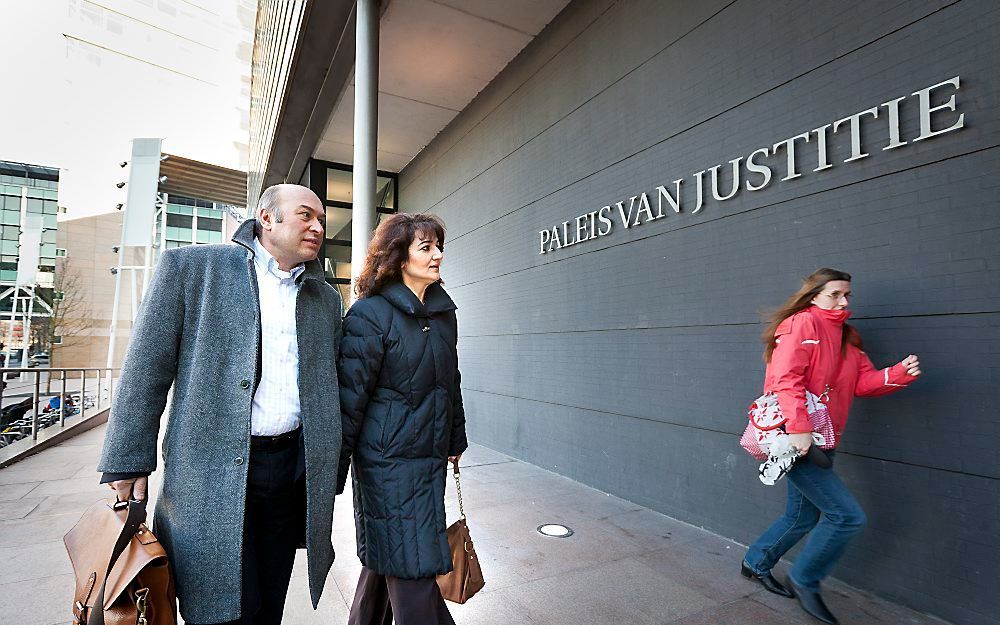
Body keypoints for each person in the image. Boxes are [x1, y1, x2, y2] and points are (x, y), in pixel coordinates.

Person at [98, 184, 344, 625]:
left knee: (270, 600)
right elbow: (145, 368)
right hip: (209, 472)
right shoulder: (194, 269)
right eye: (306, 215)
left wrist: (331, 463)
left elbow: (332, 387)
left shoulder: (325, 299)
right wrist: (126, 459)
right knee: (216, 608)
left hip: (289, 471)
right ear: (267, 219)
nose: (318, 227)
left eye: (321, 220)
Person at [741, 268, 921, 624]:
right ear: (814, 294)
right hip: (798, 440)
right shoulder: (801, 325)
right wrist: (799, 430)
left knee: (802, 515)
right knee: (846, 516)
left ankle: (755, 562)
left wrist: (896, 374)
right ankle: (805, 579)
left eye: (847, 294)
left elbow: (863, 382)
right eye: (835, 294)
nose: (843, 301)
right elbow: (785, 380)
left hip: (825, 438)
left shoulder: (848, 336)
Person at [338, 213, 468, 625]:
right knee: (412, 563)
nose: (438, 256)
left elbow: (451, 381)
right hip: (386, 464)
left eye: (438, 247)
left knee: (390, 555)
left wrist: (454, 441)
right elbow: (349, 397)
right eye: (426, 248)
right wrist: (332, 473)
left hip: (427, 460)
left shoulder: (444, 314)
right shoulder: (369, 315)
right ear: (398, 257)